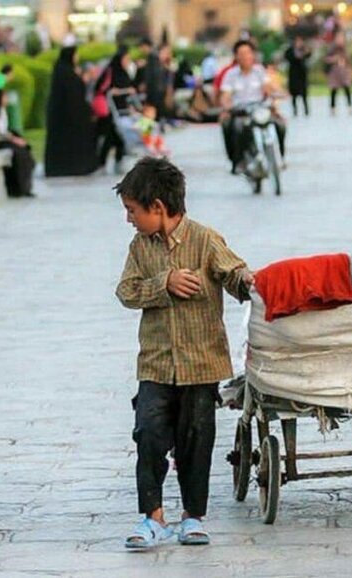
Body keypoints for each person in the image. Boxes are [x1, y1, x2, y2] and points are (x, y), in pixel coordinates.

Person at [115, 157, 253, 549]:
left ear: (158, 207)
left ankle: (193, 517)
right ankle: (153, 518)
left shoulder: (205, 240)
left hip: (201, 364)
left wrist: (248, 282)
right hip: (156, 364)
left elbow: (234, 273)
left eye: (132, 211)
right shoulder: (140, 248)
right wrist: (165, 283)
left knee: (196, 439)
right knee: (148, 433)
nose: (129, 219)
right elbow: (126, 291)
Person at [219, 40, 287, 174]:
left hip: (260, 109)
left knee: (280, 125)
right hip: (240, 112)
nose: (245, 56)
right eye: (241, 53)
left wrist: (278, 94)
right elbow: (225, 95)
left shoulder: (259, 71)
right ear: (236, 56)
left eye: (248, 53)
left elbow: (269, 88)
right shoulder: (230, 74)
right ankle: (237, 161)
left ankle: (280, 157)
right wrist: (227, 106)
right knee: (234, 127)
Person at [45, 46, 99, 177]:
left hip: (65, 116)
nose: (77, 58)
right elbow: (74, 94)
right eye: (75, 55)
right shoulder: (67, 73)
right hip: (69, 117)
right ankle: (75, 167)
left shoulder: (62, 71)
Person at [95, 47, 137, 174]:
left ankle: (114, 162)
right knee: (112, 137)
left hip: (122, 112)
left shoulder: (125, 73)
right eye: (126, 59)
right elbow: (101, 88)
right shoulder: (111, 72)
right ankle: (105, 163)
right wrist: (116, 92)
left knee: (117, 137)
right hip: (110, 111)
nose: (128, 62)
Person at [325, 33, 352, 115]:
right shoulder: (332, 49)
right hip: (335, 72)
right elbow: (326, 59)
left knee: (347, 89)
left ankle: (350, 107)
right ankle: (333, 108)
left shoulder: (345, 49)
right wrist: (334, 59)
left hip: (344, 71)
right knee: (334, 90)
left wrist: (350, 71)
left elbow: (349, 61)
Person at [284, 36, 311, 116]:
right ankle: (295, 110)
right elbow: (287, 57)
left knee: (304, 94)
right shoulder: (290, 50)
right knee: (294, 94)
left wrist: (305, 52)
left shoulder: (304, 49)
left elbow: (309, 55)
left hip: (302, 74)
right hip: (294, 74)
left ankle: (306, 110)